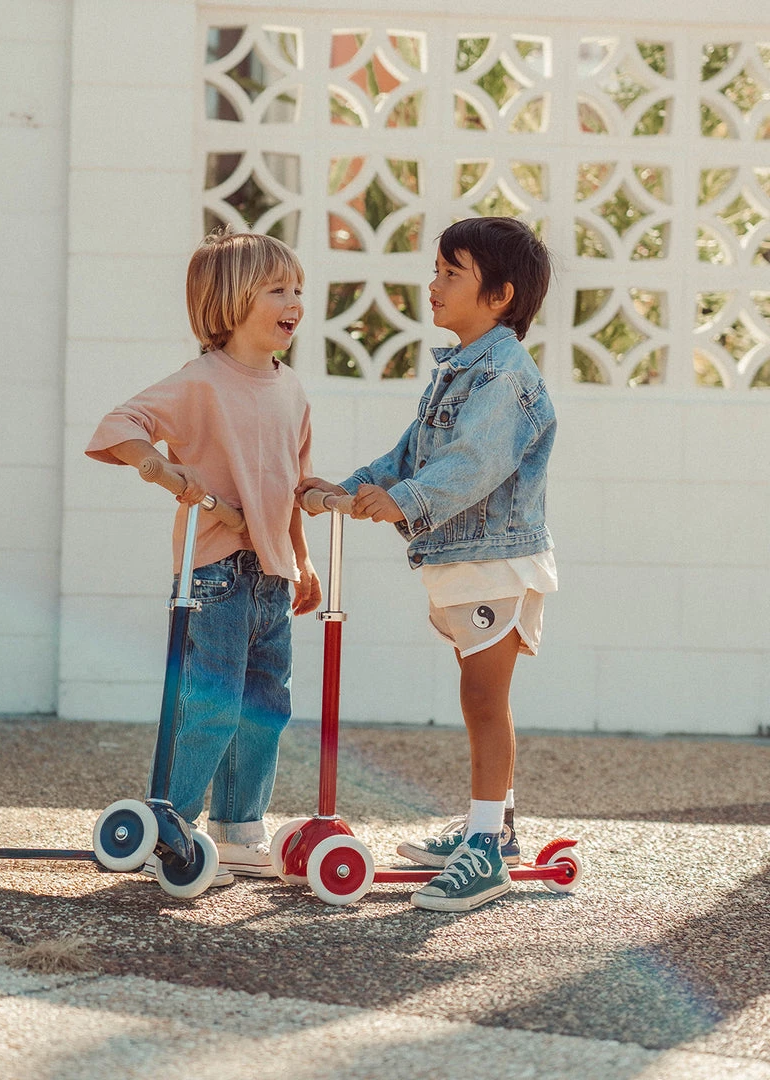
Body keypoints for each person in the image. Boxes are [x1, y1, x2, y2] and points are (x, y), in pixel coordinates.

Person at [298, 216, 556, 912]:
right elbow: (411, 452)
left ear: (499, 296)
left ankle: (485, 848)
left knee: (482, 699)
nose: (433, 284)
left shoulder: (504, 377)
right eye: (436, 270)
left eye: (450, 273)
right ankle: (492, 826)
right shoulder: (460, 368)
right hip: (464, 562)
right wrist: (348, 491)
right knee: (479, 698)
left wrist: (402, 501)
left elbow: (470, 465)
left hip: (495, 565)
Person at [86, 227, 322, 885]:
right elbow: (120, 425)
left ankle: (240, 827)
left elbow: (294, 484)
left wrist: (300, 560)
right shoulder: (201, 383)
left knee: (265, 705)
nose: (294, 300)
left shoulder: (292, 389)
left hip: (272, 575)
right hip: (216, 571)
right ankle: (174, 821)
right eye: (278, 288)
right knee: (212, 703)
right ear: (230, 300)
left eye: (297, 288)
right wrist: (159, 467)